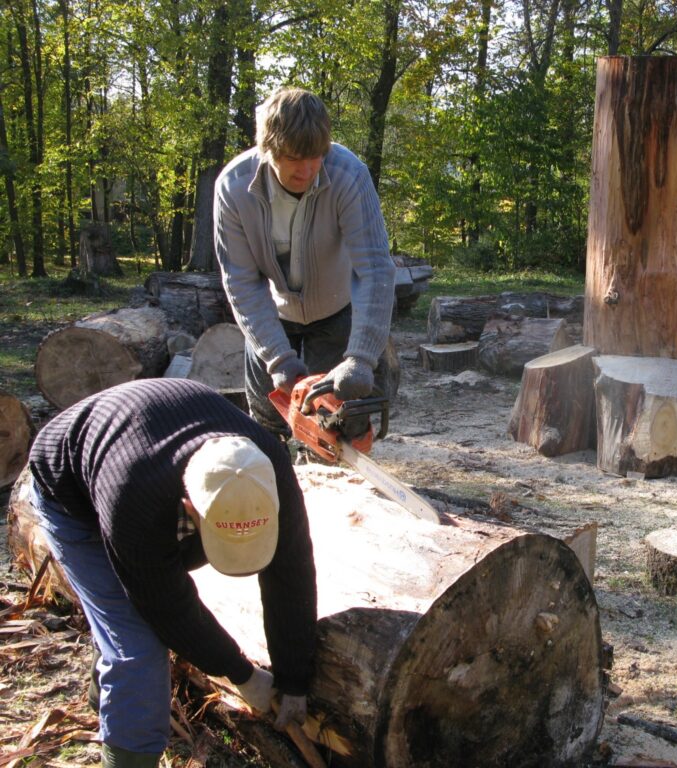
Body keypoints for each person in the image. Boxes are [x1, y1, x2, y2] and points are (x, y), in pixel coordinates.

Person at [28, 378, 318, 768]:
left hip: (147, 451)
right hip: (70, 492)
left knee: (127, 623)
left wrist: (294, 678)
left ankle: (108, 699)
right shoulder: (133, 497)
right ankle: (128, 758)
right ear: (191, 508)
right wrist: (241, 674)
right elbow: (169, 609)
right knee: (138, 648)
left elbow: (292, 572)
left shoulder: (268, 471)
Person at [213, 86, 396, 434]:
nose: (308, 169)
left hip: (336, 309)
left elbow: (375, 269)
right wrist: (277, 357)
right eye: (295, 158)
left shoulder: (348, 175)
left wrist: (361, 357)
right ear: (268, 149)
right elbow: (241, 280)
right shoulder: (233, 188)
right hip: (271, 315)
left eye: (316, 156)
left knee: (338, 428)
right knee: (266, 430)